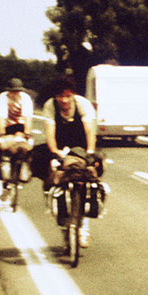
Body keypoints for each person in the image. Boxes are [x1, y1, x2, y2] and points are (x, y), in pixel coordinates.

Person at [31, 75, 101, 242]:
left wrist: (90, 151)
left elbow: (90, 131)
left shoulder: (82, 104)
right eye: (60, 96)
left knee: (93, 172)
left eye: (68, 96)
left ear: (73, 95)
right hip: (60, 144)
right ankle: (53, 202)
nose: (64, 99)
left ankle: (84, 226)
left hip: (81, 144)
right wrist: (55, 151)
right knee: (43, 164)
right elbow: (49, 132)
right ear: (55, 96)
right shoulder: (50, 106)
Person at [0, 78, 34, 201]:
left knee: (28, 149)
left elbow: (28, 117)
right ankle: (4, 182)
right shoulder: (3, 98)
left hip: (21, 127)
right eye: (13, 91)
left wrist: (26, 133)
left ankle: (25, 170)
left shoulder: (25, 98)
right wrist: (2, 135)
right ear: (8, 91)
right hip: (8, 127)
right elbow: (1, 117)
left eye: (17, 91)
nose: (15, 94)